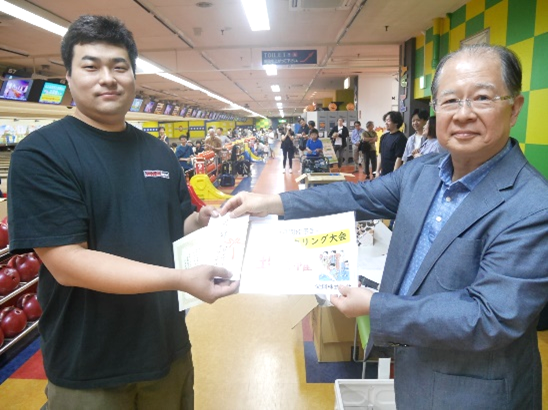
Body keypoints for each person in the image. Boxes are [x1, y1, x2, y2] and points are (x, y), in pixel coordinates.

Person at [220, 44, 548, 409]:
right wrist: (271, 203)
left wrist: (377, 306)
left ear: (514, 108)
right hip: (413, 372)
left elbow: (490, 317)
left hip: (475, 393)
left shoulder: (532, 205)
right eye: (450, 101)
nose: (463, 114)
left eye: (482, 98)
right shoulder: (423, 173)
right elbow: (357, 197)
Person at [7, 15, 239, 409]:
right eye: (91, 66)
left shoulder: (159, 153)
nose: (108, 78)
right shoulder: (42, 154)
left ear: (133, 76)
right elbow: (68, 263)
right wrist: (180, 280)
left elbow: (175, 228)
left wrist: (201, 222)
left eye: (119, 67)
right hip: (91, 366)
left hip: (167, 350)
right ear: (68, 77)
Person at [376, 111, 407, 177]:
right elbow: (380, 154)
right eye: (385, 120)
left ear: (396, 122)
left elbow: (399, 158)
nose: (386, 123)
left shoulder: (401, 138)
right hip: (383, 173)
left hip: (393, 174)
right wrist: (377, 171)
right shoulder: (383, 137)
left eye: (388, 120)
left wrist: (394, 176)